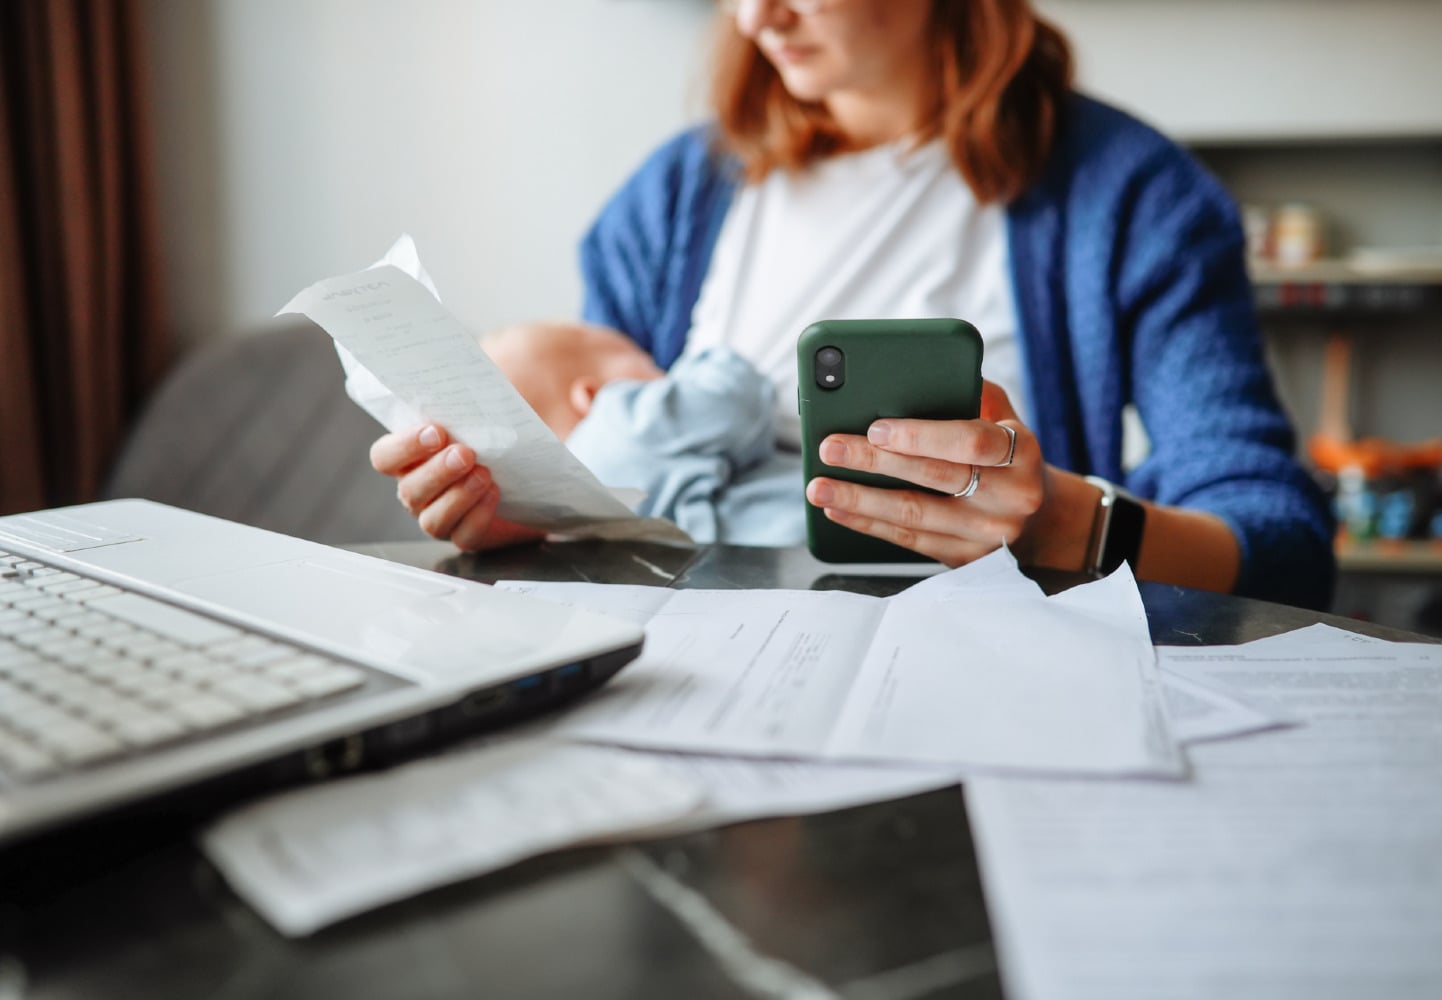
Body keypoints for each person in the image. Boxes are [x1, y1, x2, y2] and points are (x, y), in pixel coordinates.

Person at [372, 0, 1335, 610]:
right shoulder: (668, 206)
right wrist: (535, 511)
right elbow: (630, 486)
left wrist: (1063, 527)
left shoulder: (1132, 198)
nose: (755, 18)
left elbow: (1280, 549)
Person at [480, 321, 804, 545]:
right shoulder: (621, 420)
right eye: (644, 361)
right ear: (590, 395)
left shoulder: (564, 519)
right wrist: (709, 360)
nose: (663, 372)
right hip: (813, 536)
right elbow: (739, 403)